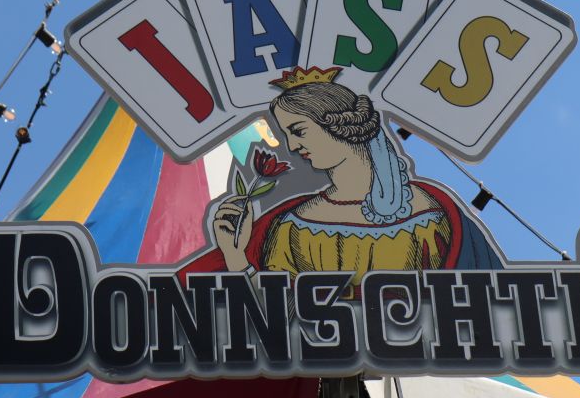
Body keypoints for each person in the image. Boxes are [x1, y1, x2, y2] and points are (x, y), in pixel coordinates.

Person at [181, 66, 502, 288]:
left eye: (298, 131)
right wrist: (236, 257)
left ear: (339, 125)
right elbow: (280, 324)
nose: (292, 146)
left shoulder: (434, 213)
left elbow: (486, 303)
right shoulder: (291, 224)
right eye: (286, 134)